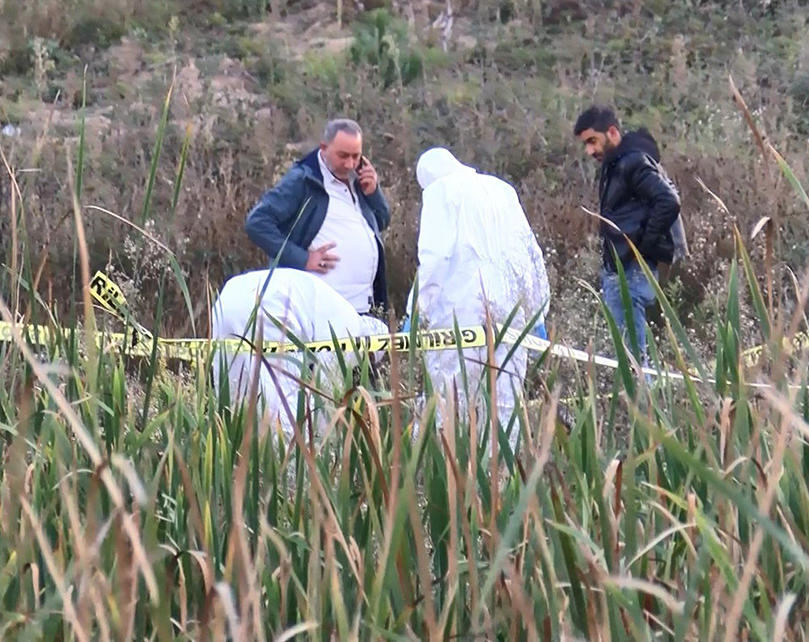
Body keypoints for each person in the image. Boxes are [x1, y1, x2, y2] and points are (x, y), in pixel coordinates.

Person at [406, 147, 550, 449]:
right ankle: (503, 480)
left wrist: (416, 309)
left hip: (459, 308)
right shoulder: (502, 191)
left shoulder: (439, 191)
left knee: (450, 394)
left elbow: (434, 257)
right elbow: (529, 253)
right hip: (511, 311)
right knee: (506, 398)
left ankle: (439, 475)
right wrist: (537, 310)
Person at [210, 267, 389, 442]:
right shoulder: (353, 333)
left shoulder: (337, 306)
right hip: (272, 305)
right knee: (284, 409)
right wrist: (329, 443)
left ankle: (232, 462)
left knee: (231, 401)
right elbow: (324, 394)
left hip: (230, 295)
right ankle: (290, 468)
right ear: (369, 348)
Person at [573, 104, 687, 371]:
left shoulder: (631, 162)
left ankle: (644, 410)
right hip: (627, 270)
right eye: (585, 144)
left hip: (630, 273)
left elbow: (668, 201)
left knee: (634, 364)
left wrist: (642, 246)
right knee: (634, 358)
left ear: (612, 132)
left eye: (593, 141)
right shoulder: (621, 162)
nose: (589, 151)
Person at [244, 119, 391, 317]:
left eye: (356, 156)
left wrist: (373, 192)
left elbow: (382, 222)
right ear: (324, 148)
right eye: (342, 156)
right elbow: (257, 223)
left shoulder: (360, 179)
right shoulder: (303, 180)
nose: (349, 164)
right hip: (320, 312)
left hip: (365, 308)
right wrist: (303, 259)